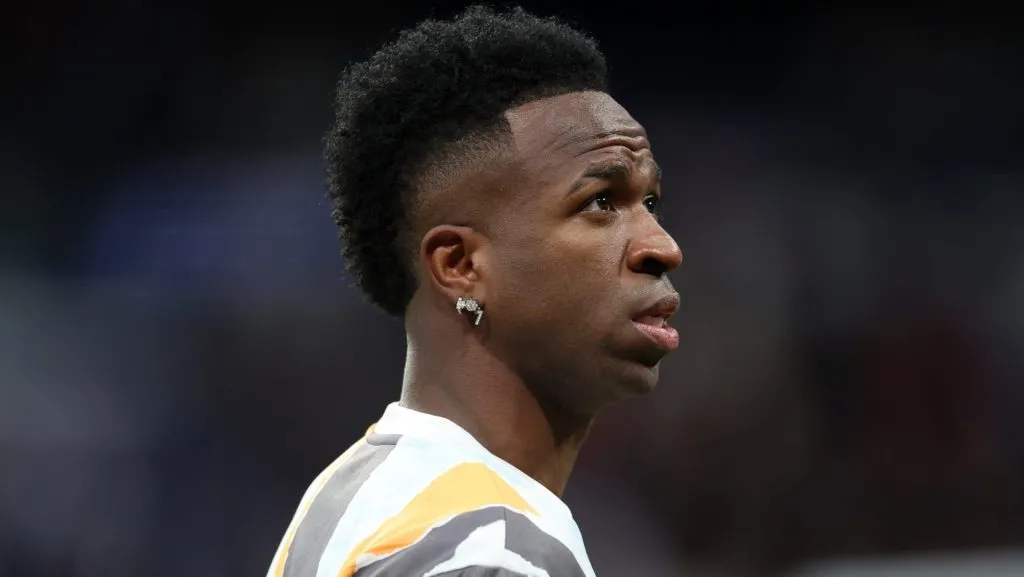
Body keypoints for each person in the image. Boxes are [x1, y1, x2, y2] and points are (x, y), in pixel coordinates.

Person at [267, 5, 682, 577]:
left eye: (650, 203)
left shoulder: (353, 496)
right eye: (600, 203)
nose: (662, 246)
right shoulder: (486, 547)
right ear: (459, 264)